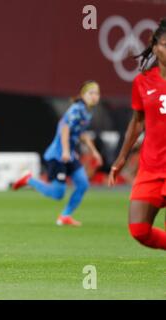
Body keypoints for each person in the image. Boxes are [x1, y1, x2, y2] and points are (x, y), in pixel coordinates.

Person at [108, 18, 166, 250]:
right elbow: (137, 122)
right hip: (151, 168)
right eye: (165, 44)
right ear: (154, 46)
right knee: (139, 230)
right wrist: (121, 158)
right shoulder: (142, 82)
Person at [11, 81, 103, 227]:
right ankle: (28, 180)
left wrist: (94, 152)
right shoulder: (76, 109)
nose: (94, 96)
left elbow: (81, 134)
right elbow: (64, 128)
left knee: (83, 184)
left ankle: (65, 216)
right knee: (58, 194)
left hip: (70, 155)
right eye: (90, 93)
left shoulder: (87, 112)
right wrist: (66, 151)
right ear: (83, 95)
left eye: (96, 93)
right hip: (58, 155)